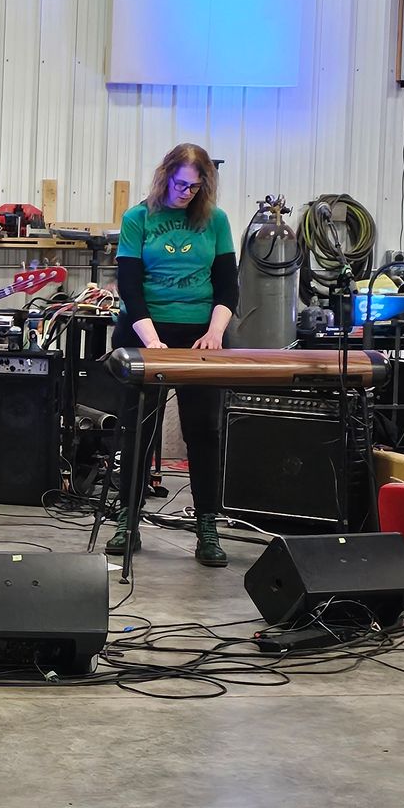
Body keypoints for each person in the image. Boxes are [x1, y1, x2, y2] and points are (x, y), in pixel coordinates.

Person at [107, 142, 238, 567]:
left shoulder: (216, 220)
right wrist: (152, 340)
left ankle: (207, 525)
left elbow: (227, 285)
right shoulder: (138, 218)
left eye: (195, 187)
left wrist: (215, 333)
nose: (186, 193)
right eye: (181, 185)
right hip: (145, 330)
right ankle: (128, 519)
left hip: (200, 334)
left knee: (204, 431)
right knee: (137, 430)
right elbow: (130, 287)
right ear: (165, 176)